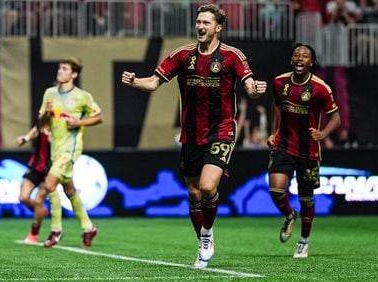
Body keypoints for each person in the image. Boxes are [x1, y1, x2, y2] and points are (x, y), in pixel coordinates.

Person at [121, 4, 267, 268]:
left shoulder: (232, 56)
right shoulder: (182, 55)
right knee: (193, 193)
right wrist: (134, 82)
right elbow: (154, 82)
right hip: (190, 134)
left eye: (206, 23)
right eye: (199, 22)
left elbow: (249, 86)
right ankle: (201, 240)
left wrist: (256, 90)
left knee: (209, 187)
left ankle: (207, 235)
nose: (200, 26)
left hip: (221, 130)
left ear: (218, 28)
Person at [267, 43, 341, 258]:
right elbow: (277, 106)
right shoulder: (280, 82)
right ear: (292, 60)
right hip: (283, 145)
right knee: (276, 190)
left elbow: (336, 118)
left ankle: (303, 241)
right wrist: (273, 132)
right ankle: (290, 215)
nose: (300, 58)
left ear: (311, 62)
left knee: (306, 198)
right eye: (296, 55)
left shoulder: (320, 88)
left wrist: (323, 134)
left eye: (305, 56)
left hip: (308, 150)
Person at [38, 57, 102, 248]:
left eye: (64, 69)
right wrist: (47, 114)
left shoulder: (82, 96)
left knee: (49, 184)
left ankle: (56, 229)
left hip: (70, 149)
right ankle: (88, 227)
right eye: (60, 68)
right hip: (55, 149)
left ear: (74, 74)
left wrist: (79, 123)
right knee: (69, 190)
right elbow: (41, 124)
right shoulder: (49, 93)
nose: (60, 71)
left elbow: (99, 117)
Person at [16, 124, 50, 244]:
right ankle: (40, 212)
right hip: (35, 166)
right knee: (23, 197)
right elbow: (36, 130)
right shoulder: (44, 121)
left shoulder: (63, 125)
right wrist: (25, 138)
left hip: (51, 170)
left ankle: (33, 234)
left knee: (39, 200)